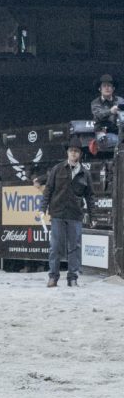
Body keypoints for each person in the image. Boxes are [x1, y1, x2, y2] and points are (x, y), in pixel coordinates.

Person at [41, 144, 92, 288]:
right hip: (57, 213)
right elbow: (48, 190)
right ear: (68, 153)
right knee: (55, 246)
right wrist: (43, 208)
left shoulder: (85, 173)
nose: (74, 153)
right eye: (71, 151)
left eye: (76, 151)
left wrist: (92, 216)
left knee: (74, 247)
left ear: (80, 154)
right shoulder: (57, 169)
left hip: (75, 214)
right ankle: (53, 277)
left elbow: (90, 196)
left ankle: (73, 278)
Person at [90, 73, 124, 154]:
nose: (107, 88)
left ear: (113, 88)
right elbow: (99, 115)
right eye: (104, 86)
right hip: (104, 134)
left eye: (109, 86)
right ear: (100, 89)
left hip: (120, 132)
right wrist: (110, 111)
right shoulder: (95, 103)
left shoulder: (120, 100)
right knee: (117, 141)